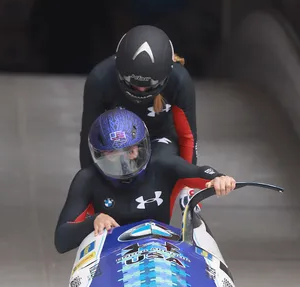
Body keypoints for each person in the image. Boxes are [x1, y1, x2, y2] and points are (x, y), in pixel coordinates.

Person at [55, 108, 236, 254]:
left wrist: (218, 178)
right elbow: (61, 240)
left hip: (159, 253)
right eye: (113, 155)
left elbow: (198, 172)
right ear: (99, 155)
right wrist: (93, 221)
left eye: (130, 151)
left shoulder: (163, 165)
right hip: (111, 257)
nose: (124, 162)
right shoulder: (87, 179)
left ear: (141, 147)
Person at [79, 24, 201, 216]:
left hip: (160, 138)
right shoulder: (100, 79)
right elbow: (89, 136)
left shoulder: (179, 81)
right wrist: (88, 194)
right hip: (119, 140)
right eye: (133, 85)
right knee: (114, 170)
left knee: (161, 164)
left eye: (148, 86)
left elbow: (187, 136)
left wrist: (187, 186)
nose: (141, 91)